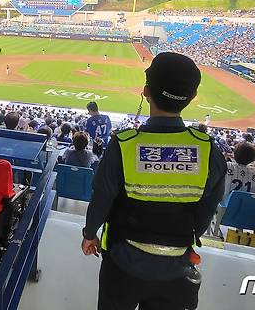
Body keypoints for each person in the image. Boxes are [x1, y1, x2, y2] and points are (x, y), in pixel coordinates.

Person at [82, 52, 226, 310]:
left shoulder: (124, 145)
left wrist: (90, 234)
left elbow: (102, 197)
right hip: (178, 265)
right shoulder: (208, 149)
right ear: (192, 97)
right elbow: (208, 207)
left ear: (146, 91)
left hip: (122, 262)